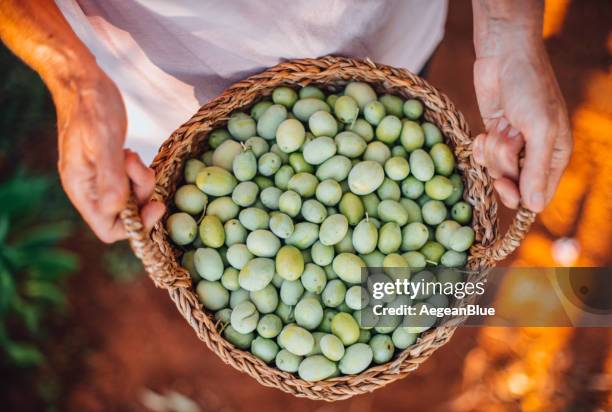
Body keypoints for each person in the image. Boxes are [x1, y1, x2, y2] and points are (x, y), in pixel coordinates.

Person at [0, 0, 571, 244]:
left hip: (380, 26)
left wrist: (509, 32)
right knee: (193, 185)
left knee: (391, 98)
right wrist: (72, 76)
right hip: (170, 81)